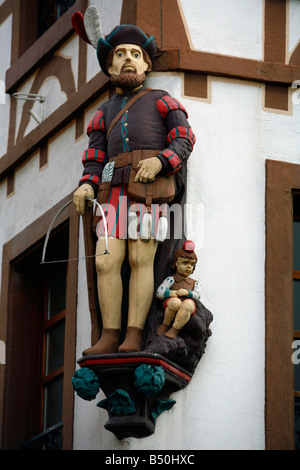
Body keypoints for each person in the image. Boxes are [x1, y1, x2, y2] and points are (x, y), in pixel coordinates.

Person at [73, 23, 196, 354]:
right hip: (112, 191)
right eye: (120, 54)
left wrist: (162, 161)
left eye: (136, 54)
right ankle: (110, 334)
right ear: (110, 66)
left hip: (149, 188)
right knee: (105, 260)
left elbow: (184, 137)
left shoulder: (161, 101)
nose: (128, 59)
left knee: (142, 258)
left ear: (146, 65)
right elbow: (95, 157)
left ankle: (134, 333)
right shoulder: (103, 113)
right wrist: (87, 185)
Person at [156, 241, 201, 338]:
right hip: (172, 301)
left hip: (187, 304)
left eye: (192, 264)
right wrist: (171, 293)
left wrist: (188, 293)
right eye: (185, 263)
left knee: (188, 304)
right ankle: (165, 324)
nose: (189, 267)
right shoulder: (171, 279)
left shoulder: (195, 283)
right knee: (175, 302)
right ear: (176, 263)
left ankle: (174, 329)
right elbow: (159, 292)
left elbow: (198, 295)